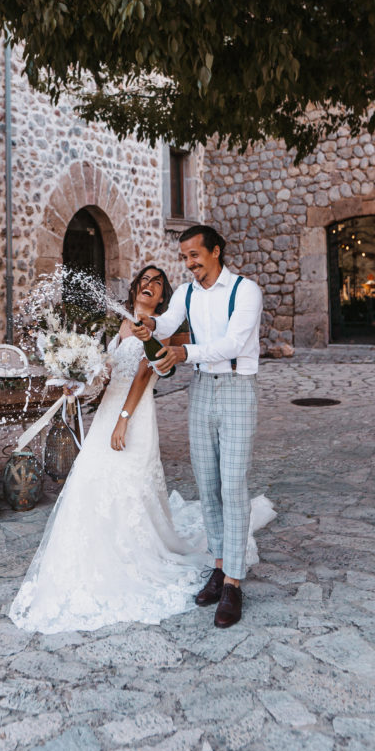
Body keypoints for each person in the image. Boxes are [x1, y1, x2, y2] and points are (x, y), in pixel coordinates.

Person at [9, 264, 272, 635]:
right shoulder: (120, 326)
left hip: (133, 415)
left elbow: (144, 374)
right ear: (134, 289)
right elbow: (108, 375)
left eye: (158, 283)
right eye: (145, 280)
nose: (150, 285)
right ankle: (95, 553)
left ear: (162, 298)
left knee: (127, 485)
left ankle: (139, 556)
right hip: (108, 413)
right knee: (92, 481)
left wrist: (124, 419)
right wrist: (78, 384)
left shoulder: (157, 330)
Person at [133, 224, 264, 629]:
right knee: (207, 485)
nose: (189, 263)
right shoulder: (187, 293)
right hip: (202, 390)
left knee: (233, 486)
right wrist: (149, 324)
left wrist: (183, 353)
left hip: (238, 388)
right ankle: (219, 567)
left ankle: (234, 584)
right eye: (184, 257)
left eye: (194, 255)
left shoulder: (245, 291)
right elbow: (168, 322)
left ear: (216, 251)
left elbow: (233, 344)